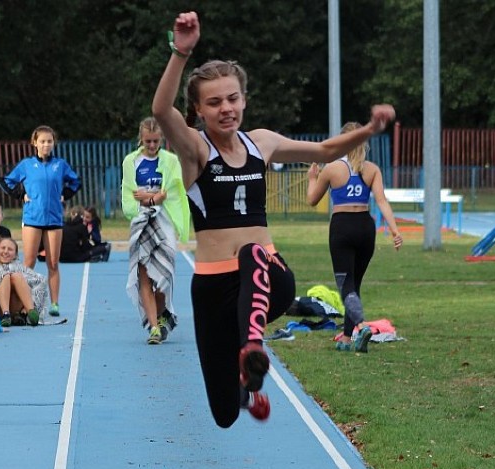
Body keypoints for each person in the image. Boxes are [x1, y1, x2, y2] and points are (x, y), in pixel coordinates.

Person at [152, 11, 395, 426]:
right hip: (213, 287)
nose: (226, 108)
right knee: (224, 415)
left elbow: (322, 151)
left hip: (268, 276)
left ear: (244, 99)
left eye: (233, 98)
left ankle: (253, 347)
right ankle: (246, 391)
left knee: (252, 252)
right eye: (214, 102)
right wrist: (181, 52)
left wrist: (368, 130)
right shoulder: (194, 151)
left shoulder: (260, 142)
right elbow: (160, 110)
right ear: (198, 110)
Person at [305, 122, 403, 353]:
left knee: (345, 284)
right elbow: (381, 201)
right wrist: (395, 230)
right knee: (354, 284)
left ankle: (360, 325)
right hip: (365, 228)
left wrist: (312, 178)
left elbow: (312, 200)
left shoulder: (331, 169)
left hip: (342, 227)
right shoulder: (372, 169)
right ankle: (348, 338)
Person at [121, 117, 190, 345]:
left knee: (164, 276)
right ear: (141, 138)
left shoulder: (170, 161)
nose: (152, 146)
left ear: (161, 139)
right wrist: (152, 199)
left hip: (165, 223)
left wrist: (151, 198)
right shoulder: (131, 161)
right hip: (141, 223)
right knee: (144, 275)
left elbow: (172, 192)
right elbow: (130, 199)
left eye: (155, 141)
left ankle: (161, 317)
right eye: (148, 141)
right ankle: (153, 327)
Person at [0, 125, 81, 317]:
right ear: (35, 143)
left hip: (54, 219)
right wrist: (21, 194)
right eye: (42, 141)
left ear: (54, 143)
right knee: (29, 261)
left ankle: (54, 303)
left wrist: (65, 194)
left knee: (53, 263)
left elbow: (76, 181)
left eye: (49, 141)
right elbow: (6, 181)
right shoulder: (27, 165)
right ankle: (22, 303)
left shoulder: (60, 165)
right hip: (32, 219)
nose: (46, 144)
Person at [0, 235, 48, 327]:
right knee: (5, 277)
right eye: (3, 248)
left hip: (16, 306)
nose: (6, 251)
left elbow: (41, 281)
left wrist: (32, 303)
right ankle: (6, 315)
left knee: (17, 276)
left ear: (15, 255)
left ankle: (30, 311)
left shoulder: (20, 268)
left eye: (10, 249)